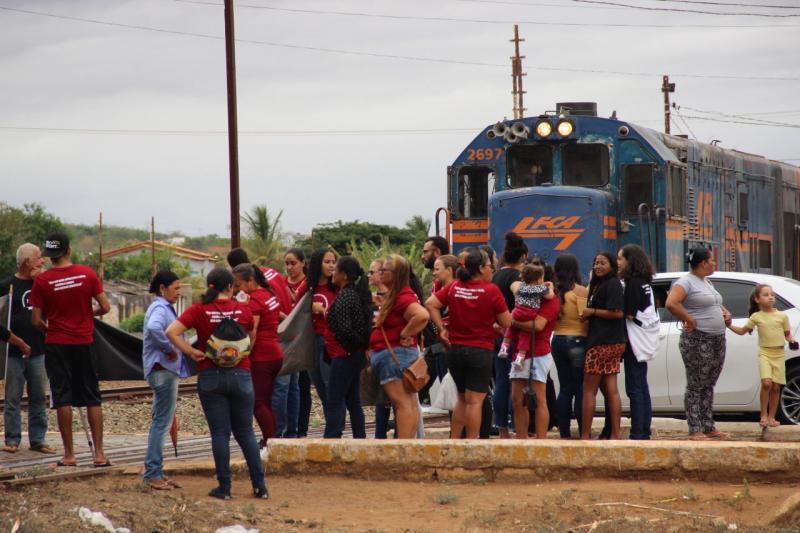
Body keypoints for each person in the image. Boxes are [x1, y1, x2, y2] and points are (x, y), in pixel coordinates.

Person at [166, 268, 268, 500]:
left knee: (220, 433)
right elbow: (251, 334)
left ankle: (224, 488)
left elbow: (171, 332)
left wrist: (192, 352)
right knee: (246, 433)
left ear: (209, 286)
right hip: (241, 375)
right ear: (231, 287)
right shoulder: (243, 309)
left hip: (211, 376)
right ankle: (260, 486)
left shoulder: (199, 310)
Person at [30, 232, 111, 467]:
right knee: (92, 397)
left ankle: (69, 455)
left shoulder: (42, 281)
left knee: (62, 397)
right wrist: (86, 315)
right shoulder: (87, 274)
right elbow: (105, 306)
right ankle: (99, 455)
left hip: (56, 343)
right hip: (84, 342)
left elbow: (36, 320)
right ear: (68, 251)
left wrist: (52, 329)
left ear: (50, 256)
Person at [426, 249, 510, 439]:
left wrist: (442, 328)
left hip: (455, 350)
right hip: (480, 351)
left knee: (462, 399)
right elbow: (507, 323)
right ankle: (472, 444)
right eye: (489, 266)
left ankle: (455, 441)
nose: (492, 269)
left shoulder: (455, 286)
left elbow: (431, 304)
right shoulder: (491, 290)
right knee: (475, 402)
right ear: (480, 268)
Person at [665, 246, 732, 440]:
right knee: (696, 383)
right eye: (712, 260)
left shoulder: (706, 281)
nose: (714, 263)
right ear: (703, 263)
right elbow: (671, 303)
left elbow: (713, 302)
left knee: (709, 383)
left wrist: (725, 313)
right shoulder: (685, 282)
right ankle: (695, 428)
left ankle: (708, 425)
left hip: (717, 338)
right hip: (698, 339)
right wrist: (689, 319)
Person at [1, 243, 54, 455]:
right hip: (14, 351)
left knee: (38, 396)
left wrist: (41, 281)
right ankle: (12, 438)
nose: (42, 261)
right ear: (26, 262)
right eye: (38, 257)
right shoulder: (7, 286)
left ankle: (38, 439)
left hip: (39, 350)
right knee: (13, 396)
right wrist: (17, 341)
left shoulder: (41, 283)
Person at [369, 254, 429, 438]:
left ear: (395, 274)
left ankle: (404, 446)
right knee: (408, 402)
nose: (380, 273)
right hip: (395, 355)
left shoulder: (403, 297)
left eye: (383, 270)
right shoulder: (398, 295)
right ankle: (408, 445)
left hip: (394, 355)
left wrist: (405, 333)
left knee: (402, 403)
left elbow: (422, 315)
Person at [142, 270, 190, 490]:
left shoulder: (161, 307)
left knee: (161, 421)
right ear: (163, 288)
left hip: (161, 370)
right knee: (162, 423)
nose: (178, 292)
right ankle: (153, 473)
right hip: (163, 369)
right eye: (176, 287)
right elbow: (153, 327)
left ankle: (157, 471)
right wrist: (169, 348)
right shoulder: (160, 308)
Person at [727, 284, 795, 428]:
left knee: (776, 387)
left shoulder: (782, 316)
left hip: (779, 354)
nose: (770, 297)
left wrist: (792, 341)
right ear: (757, 299)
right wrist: (728, 325)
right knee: (766, 383)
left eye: (772, 294)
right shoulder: (756, 316)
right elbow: (742, 331)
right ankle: (763, 414)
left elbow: (787, 334)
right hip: (765, 353)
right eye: (765, 295)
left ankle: (772, 417)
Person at [232, 264, 284, 447]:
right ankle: (271, 438)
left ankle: (271, 442)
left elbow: (252, 332)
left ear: (251, 281)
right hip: (275, 352)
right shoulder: (269, 295)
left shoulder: (254, 300)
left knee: (258, 402)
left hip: (262, 356)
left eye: (239, 285)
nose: (237, 289)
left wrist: (244, 354)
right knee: (267, 400)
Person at [323, 256, 372, 438]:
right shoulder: (354, 293)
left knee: (335, 400)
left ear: (343, 275)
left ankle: (331, 438)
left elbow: (345, 329)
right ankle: (360, 437)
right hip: (351, 354)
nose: (332, 273)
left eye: (335, 270)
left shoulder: (346, 297)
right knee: (353, 400)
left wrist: (350, 349)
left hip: (345, 355)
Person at [579, 252, 625, 440]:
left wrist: (592, 312)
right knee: (611, 389)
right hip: (611, 342)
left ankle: (585, 436)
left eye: (602, 263)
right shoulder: (598, 284)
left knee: (589, 390)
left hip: (602, 343)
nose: (598, 266)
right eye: (596, 263)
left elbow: (617, 313)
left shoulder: (612, 284)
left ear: (612, 266)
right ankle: (614, 435)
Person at [507, 276, 560, 439]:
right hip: (520, 353)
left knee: (539, 400)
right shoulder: (524, 292)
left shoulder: (551, 301)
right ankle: (522, 439)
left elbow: (538, 326)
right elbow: (513, 285)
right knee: (517, 400)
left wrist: (512, 321)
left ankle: (541, 441)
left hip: (538, 353)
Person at [617, 244, 657, 440]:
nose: (618, 263)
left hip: (634, 341)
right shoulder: (645, 282)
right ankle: (644, 429)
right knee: (642, 385)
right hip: (643, 340)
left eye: (620, 259)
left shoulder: (633, 284)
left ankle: (638, 432)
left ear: (629, 261)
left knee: (635, 387)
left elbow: (629, 313)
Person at [491, 232, 528, 438]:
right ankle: (515, 426)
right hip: (513, 336)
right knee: (516, 382)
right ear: (523, 257)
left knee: (501, 382)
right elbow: (518, 292)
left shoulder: (496, 275)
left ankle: (502, 428)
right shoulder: (515, 277)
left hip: (497, 335)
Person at [296, 248, 339, 423]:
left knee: (332, 386)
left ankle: (335, 428)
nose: (331, 265)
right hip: (310, 342)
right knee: (320, 387)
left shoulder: (337, 285)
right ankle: (331, 425)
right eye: (327, 262)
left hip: (331, 342)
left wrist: (323, 310)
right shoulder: (307, 286)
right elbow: (296, 311)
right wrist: (309, 306)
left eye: (333, 262)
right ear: (317, 264)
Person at [551, 254, 588, 439]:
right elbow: (584, 316)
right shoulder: (580, 291)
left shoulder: (552, 292)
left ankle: (564, 433)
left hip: (557, 340)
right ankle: (583, 432)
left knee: (565, 388)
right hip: (577, 340)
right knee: (580, 388)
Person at [273, 248, 305, 438]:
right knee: (290, 387)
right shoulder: (281, 283)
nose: (289, 267)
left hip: (297, 340)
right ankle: (289, 431)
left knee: (288, 387)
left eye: (293, 263)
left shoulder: (307, 284)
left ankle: (285, 431)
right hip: (286, 339)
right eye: (287, 263)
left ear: (302, 263)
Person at [498, 264, 554, 363]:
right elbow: (550, 296)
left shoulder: (522, 285)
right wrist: (550, 288)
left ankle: (504, 348)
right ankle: (520, 356)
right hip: (529, 314)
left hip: (517, 311)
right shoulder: (539, 289)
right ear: (538, 279)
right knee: (525, 334)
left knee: (511, 328)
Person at [227, 248, 292, 316]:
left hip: (281, 324)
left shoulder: (254, 288)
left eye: (237, 285)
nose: (236, 289)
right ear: (248, 258)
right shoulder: (271, 270)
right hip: (290, 319)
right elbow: (289, 292)